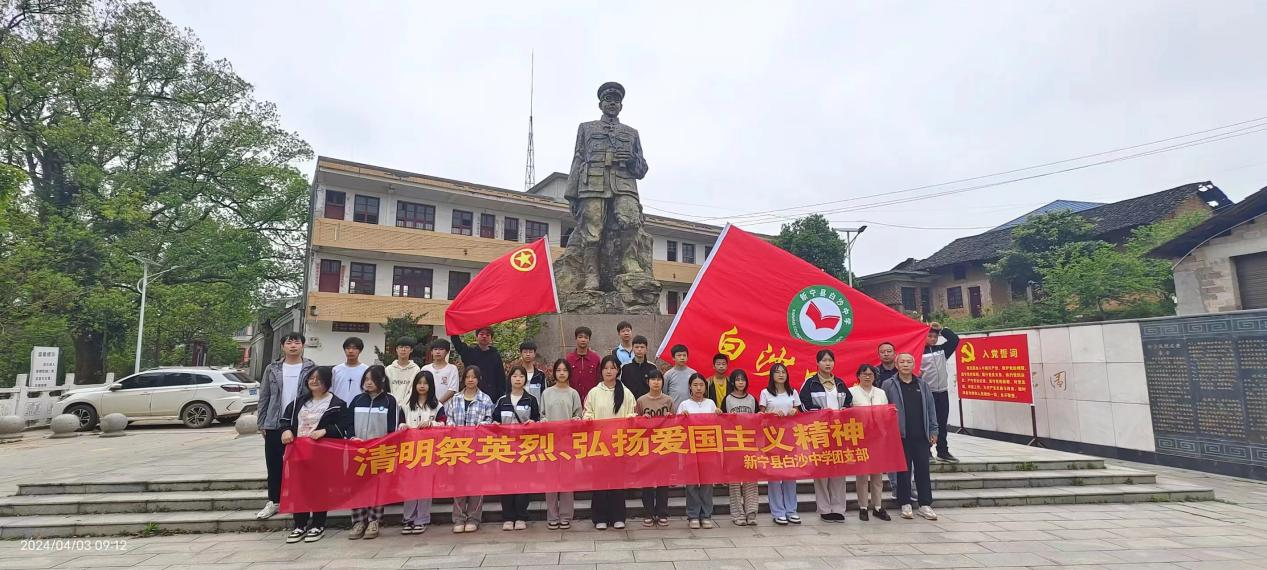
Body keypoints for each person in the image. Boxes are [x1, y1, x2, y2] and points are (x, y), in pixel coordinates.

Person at [280, 366, 350, 544]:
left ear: (327, 381)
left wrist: (325, 431)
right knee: (299, 487)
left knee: (320, 488)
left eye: (318, 378)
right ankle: (299, 524)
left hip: (322, 452)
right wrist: (287, 430)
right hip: (299, 451)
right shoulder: (299, 402)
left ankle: (318, 524)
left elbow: (345, 427)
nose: (314, 381)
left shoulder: (337, 404)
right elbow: (286, 419)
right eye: (311, 378)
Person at [255, 332, 316, 521]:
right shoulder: (272, 369)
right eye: (289, 342)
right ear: (283, 346)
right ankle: (274, 501)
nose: (293, 345)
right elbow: (264, 395)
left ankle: (302, 500)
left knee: (303, 466)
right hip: (274, 422)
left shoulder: (311, 368)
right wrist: (262, 421)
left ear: (303, 346)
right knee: (274, 464)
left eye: (297, 342)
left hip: (302, 423)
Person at [347, 365, 402, 540]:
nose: (368, 383)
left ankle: (374, 520)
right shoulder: (357, 400)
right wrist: (352, 437)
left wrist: (383, 443)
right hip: (358, 449)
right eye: (366, 380)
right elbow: (347, 424)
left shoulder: (389, 401)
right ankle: (358, 521)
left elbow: (393, 427)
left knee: (377, 486)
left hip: (380, 450)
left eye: (372, 380)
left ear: (382, 381)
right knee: (357, 485)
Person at [882, 353, 939, 521]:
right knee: (903, 471)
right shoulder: (889, 384)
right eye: (902, 362)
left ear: (914, 364)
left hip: (921, 435)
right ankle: (905, 503)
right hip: (900, 436)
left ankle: (925, 504)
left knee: (923, 470)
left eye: (909, 362)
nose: (905, 364)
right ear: (897, 365)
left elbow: (931, 408)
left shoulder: (922, 384)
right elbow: (884, 410)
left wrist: (933, 430)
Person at [583, 355, 636, 529]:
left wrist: (629, 419)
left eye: (612, 368)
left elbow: (633, 413)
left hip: (618, 443)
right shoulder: (594, 392)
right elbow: (587, 413)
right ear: (601, 370)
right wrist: (589, 418)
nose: (609, 371)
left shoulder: (626, 392)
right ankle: (600, 518)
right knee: (599, 482)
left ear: (618, 370)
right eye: (606, 368)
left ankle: (618, 516)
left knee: (617, 482)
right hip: (599, 444)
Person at [800, 349, 853, 522]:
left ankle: (838, 508)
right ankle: (824, 509)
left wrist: (844, 411)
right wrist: (824, 414)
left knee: (839, 471)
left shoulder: (840, 383)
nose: (828, 363)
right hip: (820, 432)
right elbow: (804, 407)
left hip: (839, 433)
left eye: (831, 360)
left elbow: (850, 404)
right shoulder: (810, 383)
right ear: (817, 363)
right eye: (824, 360)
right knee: (821, 473)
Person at [398, 370, 447, 535]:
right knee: (410, 484)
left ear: (430, 386)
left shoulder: (437, 406)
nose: (422, 386)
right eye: (419, 383)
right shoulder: (406, 405)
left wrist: (432, 424)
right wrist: (402, 427)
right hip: (410, 450)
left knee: (425, 484)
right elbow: (399, 424)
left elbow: (444, 424)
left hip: (428, 451)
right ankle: (408, 518)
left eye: (425, 383)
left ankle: (422, 518)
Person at [446, 365, 495, 533]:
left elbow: (490, 420)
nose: (470, 379)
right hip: (458, 447)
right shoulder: (456, 399)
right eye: (467, 377)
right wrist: (454, 428)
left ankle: (474, 517)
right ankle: (459, 518)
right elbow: (449, 419)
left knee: (476, 483)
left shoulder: (486, 399)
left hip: (477, 448)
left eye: (474, 377)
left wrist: (480, 427)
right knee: (458, 484)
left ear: (478, 379)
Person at [493, 366, 541, 531]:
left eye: (521, 376)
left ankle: (521, 516)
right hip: (506, 447)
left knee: (523, 482)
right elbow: (494, 421)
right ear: (510, 379)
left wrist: (534, 423)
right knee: (506, 482)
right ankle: (508, 517)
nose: (518, 379)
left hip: (524, 448)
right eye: (514, 376)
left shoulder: (531, 400)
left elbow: (537, 419)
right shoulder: (502, 400)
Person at [541, 359, 583, 530]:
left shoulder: (573, 393)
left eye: (564, 370)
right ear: (554, 373)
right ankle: (552, 515)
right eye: (558, 370)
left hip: (567, 443)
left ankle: (565, 515)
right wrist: (543, 420)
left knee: (566, 480)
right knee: (550, 481)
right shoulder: (547, 393)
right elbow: (542, 414)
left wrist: (576, 419)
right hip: (550, 442)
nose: (561, 373)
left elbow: (578, 414)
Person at [759, 363, 802, 525]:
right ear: (772, 375)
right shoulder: (765, 393)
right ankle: (778, 511)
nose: (781, 375)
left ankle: (791, 510)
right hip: (772, 438)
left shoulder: (793, 392)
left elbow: (799, 413)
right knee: (775, 475)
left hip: (790, 437)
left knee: (790, 474)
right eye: (777, 372)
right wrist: (771, 414)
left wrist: (794, 412)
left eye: (783, 372)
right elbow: (760, 415)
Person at [849, 364, 891, 522]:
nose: (867, 377)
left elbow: (887, 415)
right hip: (860, 438)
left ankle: (878, 506)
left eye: (871, 374)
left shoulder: (881, 393)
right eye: (864, 374)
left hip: (878, 438)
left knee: (877, 476)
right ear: (858, 376)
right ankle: (863, 506)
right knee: (862, 475)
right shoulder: (851, 392)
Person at [678, 373, 718, 529]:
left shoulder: (711, 403)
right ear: (690, 387)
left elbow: (717, 425)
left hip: (708, 448)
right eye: (695, 385)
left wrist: (718, 415)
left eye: (701, 385)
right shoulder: (684, 405)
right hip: (690, 449)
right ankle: (693, 515)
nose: (698, 388)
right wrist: (682, 418)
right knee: (692, 484)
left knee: (707, 483)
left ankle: (706, 515)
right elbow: (678, 428)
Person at [635, 368, 674, 527]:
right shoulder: (641, 401)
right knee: (648, 482)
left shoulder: (668, 400)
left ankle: (662, 513)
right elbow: (635, 422)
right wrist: (642, 419)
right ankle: (649, 513)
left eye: (659, 379)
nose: (656, 382)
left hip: (664, 445)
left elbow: (675, 422)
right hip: (646, 446)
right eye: (653, 379)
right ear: (648, 382)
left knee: (663, 482)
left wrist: (671, 418)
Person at [723, 369, 758, 526]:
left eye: (743, 380)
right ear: (733, 382)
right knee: (735, 482)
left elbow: (758, 420)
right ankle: (737, 514)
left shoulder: (752, 399)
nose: (740, 382)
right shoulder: (727, 399)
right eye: (737, 380)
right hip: (733, 445)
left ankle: (751, 512)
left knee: (751, 480)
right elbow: (722, 421)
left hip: (750, 444)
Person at [922, 322, 960, 462]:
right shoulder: (917, 351)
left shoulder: (942, 350)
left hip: (942, 392)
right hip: (926, 392)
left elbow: (955, 340)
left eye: (935, 336)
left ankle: (943, 451)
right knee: (927, 423)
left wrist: (941, 329)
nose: (933, 338)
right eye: (929, 336)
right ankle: (926, 452)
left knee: (942, 423)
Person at [451, 327, 507, 402]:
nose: (484, 336)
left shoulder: (495, 355)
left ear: (491, 338)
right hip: (471, 393)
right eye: (482, 334)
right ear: (476, 336)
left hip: (491, 396)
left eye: (487, 335)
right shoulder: (469, 352)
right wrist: (453, 326)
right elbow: (457, 344)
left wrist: (501, 397)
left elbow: (500, 377)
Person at [566, 326, 601, 400]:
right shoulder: (568, 359)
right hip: (573, 398)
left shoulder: (596, 358)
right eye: (580, 337)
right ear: (575, 339)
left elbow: (600, 379)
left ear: (589, 340)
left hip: (592, 399)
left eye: (586, 337)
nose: (583, 340)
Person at [421, 338, 460, 406]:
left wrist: (438, 404)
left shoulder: (452, 369)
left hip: (446, 407)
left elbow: (452, 390)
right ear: (431, 352)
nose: (438, 352)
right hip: (426, 406)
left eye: (441, 349)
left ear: (447, 352)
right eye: (435, 349)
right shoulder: (425, 369)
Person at [331, 337, 369, 404]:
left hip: (359, 406)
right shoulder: (336, 370)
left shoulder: (366, 370)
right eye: (348, 348)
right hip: (338, 407)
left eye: (354, 348)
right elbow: (331, 390)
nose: (351, 351)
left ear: (360, 351)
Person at [386, 336, 421, 405]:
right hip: (391, 405)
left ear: (411, 350)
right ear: (396, 349)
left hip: (408, 406)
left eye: (407, 347)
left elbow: (414, 389)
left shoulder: (416, 369)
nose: (403, 350)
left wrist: (405, 403)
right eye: (401, 347)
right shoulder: (388, 369)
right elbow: (386, 389)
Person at [620, 335, 657, 399]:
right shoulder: (624, 367)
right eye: (636, 347)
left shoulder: (652, 367)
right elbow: (620, 386)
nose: (639, 349)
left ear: (646, 349)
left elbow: (656, 387)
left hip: (647, 403)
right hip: (629, 403)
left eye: (642, 347)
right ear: (632, 348)